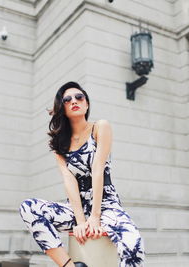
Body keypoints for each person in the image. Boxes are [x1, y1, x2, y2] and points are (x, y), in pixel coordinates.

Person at [19, 81, 145, 267]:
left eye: (79, 97)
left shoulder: (100, 127)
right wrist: (80, 221)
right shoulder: (59, 143)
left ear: (86, 104)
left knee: (133, 242)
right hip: (76, 207)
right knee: (28, 207)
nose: (74, 101)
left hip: (105, 203)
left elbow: (98, 168)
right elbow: (69, 180)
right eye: (67, 99)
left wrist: (94, 217)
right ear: (62, 107)